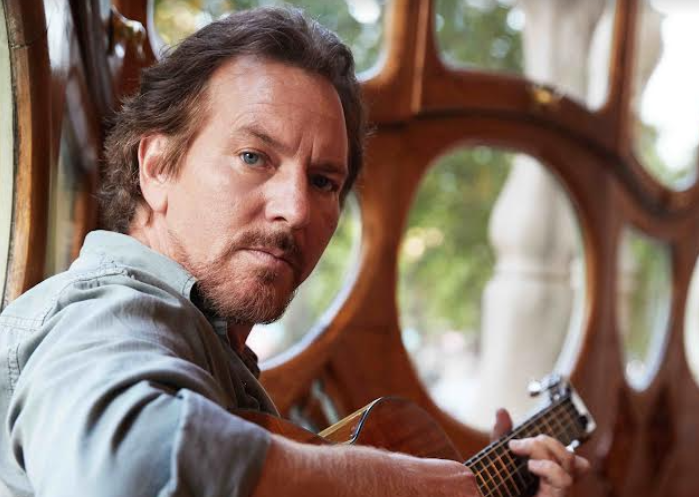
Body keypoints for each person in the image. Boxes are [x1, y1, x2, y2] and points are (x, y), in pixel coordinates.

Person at [0, 7, 589, 497]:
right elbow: (126, 469)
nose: (298, 209)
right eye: (254, 157)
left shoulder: (213, 357)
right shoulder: (105, 313)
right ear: (157, 167)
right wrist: (397, 483)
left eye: (324, 181)